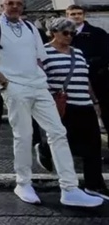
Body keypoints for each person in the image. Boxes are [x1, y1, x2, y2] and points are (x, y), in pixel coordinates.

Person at [0, 0, 102, 208]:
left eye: (18, 4)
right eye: (10, 3)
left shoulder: (29, 28)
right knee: (23, 135)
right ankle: (23, 183)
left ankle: (69, 188)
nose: (14, 7)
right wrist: (6, 83)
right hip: (15, 87)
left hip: (38, 86)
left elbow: (40, 58)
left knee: (58, 132)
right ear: (2, 6)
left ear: (23, 6)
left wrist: (41, 79)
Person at [35, 18, 109, 200]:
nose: (69, 36)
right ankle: (45, 149)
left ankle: (94, 185)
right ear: (54, 32)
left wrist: (95, 102)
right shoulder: (43, 52)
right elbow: (39, 79)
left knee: (94, 145)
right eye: (65, 33)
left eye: (72, 33)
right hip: (63, 106)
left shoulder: (78, 52)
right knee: (66, 141)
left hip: (85, 104)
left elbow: (85, 78)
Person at [66, 4, 109, 153]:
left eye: (79, 13)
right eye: (73, 14)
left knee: (105, 111)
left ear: (84, 15)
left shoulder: (98, 33)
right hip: (75, 81)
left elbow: (106, 54)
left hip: (98, 78)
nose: (76, 16)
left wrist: (89, 64)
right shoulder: (65, 35)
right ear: (67, 16)